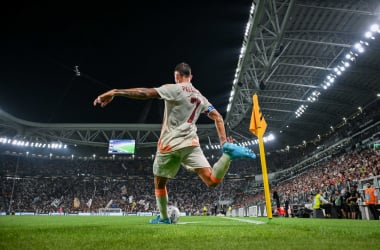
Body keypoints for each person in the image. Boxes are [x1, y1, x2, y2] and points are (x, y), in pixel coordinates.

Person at [93, 62, 256, 224]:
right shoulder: (200, 96)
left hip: (169, 145)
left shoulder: (174, 88)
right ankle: (227, 155)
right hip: (191, 145)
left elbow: (145, 93)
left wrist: (115, 92)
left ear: (177, 76)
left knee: (159, 183)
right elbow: (218, 118)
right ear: (191, 76)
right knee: (212, 180)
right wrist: (223, 143)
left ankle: (164, 218)